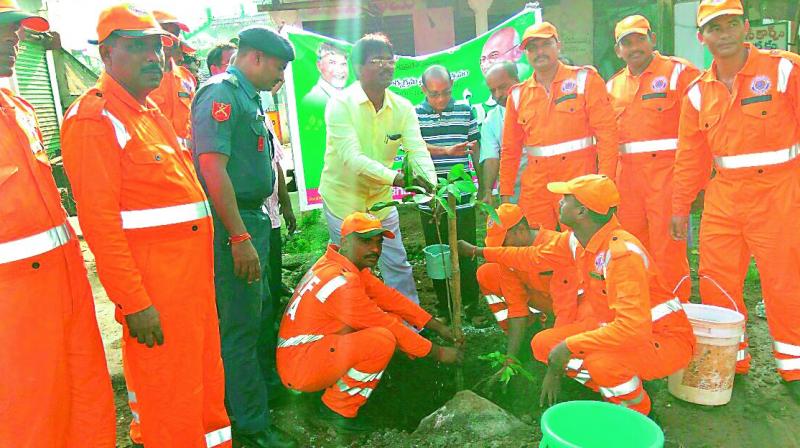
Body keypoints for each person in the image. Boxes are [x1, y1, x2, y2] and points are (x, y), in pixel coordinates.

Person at [60, 4, 231, 447]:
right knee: (170, 400)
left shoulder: (148, 112)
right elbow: (100, 225)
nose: (153, 56)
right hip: (158, 298)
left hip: (191, 292)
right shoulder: (96, 121)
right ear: (106, 54)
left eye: (157, 46)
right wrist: (135, 303)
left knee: (205, 389)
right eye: (137, 46)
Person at [459, 174, 695, 415]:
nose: (560, 202)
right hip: (613, 327)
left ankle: (637, 412)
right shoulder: (576, 241)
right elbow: (531, 257)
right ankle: (612, 389)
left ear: (581, 212)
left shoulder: (622, 256)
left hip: (662, 339)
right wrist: (479, 252)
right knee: (542, 344)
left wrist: (568, 347)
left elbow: (632, 329)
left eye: (566, 199)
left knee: (601, 363)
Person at [671, 0, 800, 400]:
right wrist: (679, 207)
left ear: (746, 27)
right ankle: (733, 361)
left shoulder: (783, 69)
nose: (723, 34)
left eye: (730, 25)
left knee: (785, 284)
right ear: (701, 37)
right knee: (716, 284)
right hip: (724, 197)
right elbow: (690, 156)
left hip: (780, 194)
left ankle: (793, 371)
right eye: (713, 28)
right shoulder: (696, 92)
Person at [0, 2, 116, 446]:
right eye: (3, 31)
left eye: (14, 31)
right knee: (29, 408)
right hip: (14, 303)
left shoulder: (20, 109)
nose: (13, 40)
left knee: (84, 391)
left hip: (63, 283)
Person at [192, 25, 296, 447]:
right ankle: (250, 425)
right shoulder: (220, 94)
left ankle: (261, 397)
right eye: (277, 66)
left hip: (254, 220)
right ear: (253, 57)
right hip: (234, 226)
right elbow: (212, 169)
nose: (281, 76)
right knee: (240, 327)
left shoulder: (249, 96)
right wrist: (238, 237)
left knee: (259, 315)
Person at [277, 212, 463, 433]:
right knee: (381, 340)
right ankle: (335, 411)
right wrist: (439, 353)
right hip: (301, 367)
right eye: (366, 241)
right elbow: (386, 325)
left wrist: (437, 326)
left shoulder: (338, 265)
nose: (375, 248)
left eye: (379, 242)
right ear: (345, 241)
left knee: (389, 325)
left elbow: (389, 298)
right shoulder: (341, 284)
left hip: (306, 353)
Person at [320, 33, 436, 305]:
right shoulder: (340, 104)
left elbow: (417, 150)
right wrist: (398, 178)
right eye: (377, 60)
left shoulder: (402, 107)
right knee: (350, 270)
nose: (386, 66)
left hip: (380, 202)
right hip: (343, 201)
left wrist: (431, 187)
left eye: (389, 60)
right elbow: (353, 159)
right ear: (359, 68)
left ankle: (412, 328)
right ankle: (359, 328)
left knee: (397, 263)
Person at [606, 15, 700, 302]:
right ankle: (642, 315)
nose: (634, 47)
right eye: (627, 43)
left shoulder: (680, 73)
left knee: (668, 252)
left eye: (640, 39)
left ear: (653, 39)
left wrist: (696, 184)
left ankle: (675, 315)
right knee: (631, 249)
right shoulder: (612, 86)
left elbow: (702, 128)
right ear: (618, 50)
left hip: (667, 179)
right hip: (628, 183)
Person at [499, 22, 618, 230]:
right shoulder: (518, 95)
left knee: (580, 244)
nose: (539, 52)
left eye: (545, 44)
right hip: (536, 185)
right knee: (540, 247)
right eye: (532, 48)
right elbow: (510, 150)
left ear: (558, 46)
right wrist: (506, 196)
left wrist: (604, 181)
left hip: (577, 180)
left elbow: (607, 134)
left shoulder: (584, 80)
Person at [415, 64, 481, 317]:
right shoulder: (414, 115)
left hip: (462, 198)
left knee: (467, 250)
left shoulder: (466, 111)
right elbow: (412, 148)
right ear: (423, 90)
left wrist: (484, 188)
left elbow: (475, 150)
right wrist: (444, 152)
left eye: (446, 92)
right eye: (434, 94)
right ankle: (444, 306)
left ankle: (471, 304)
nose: (441, 99)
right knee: (438, 253)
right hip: (430, 198)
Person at [479, 61, 525, 205]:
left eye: (503, 87)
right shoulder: (491, 120)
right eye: (492, 90)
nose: (498, 94)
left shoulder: (537, 104)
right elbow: (491, 158)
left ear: (517, 80)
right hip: (513, 190)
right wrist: (487, 191)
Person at [150, 10, 196, 146]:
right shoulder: (137, 78)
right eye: (163, 31)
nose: (170, 37)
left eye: (175, 33)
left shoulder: (187, 78)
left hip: (186, 160)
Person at [302, 42, 349, 107]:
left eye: (343, 64)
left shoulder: (349, 96)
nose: (340, 70)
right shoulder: (313, 99)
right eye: (332, 63)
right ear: (319, 66)